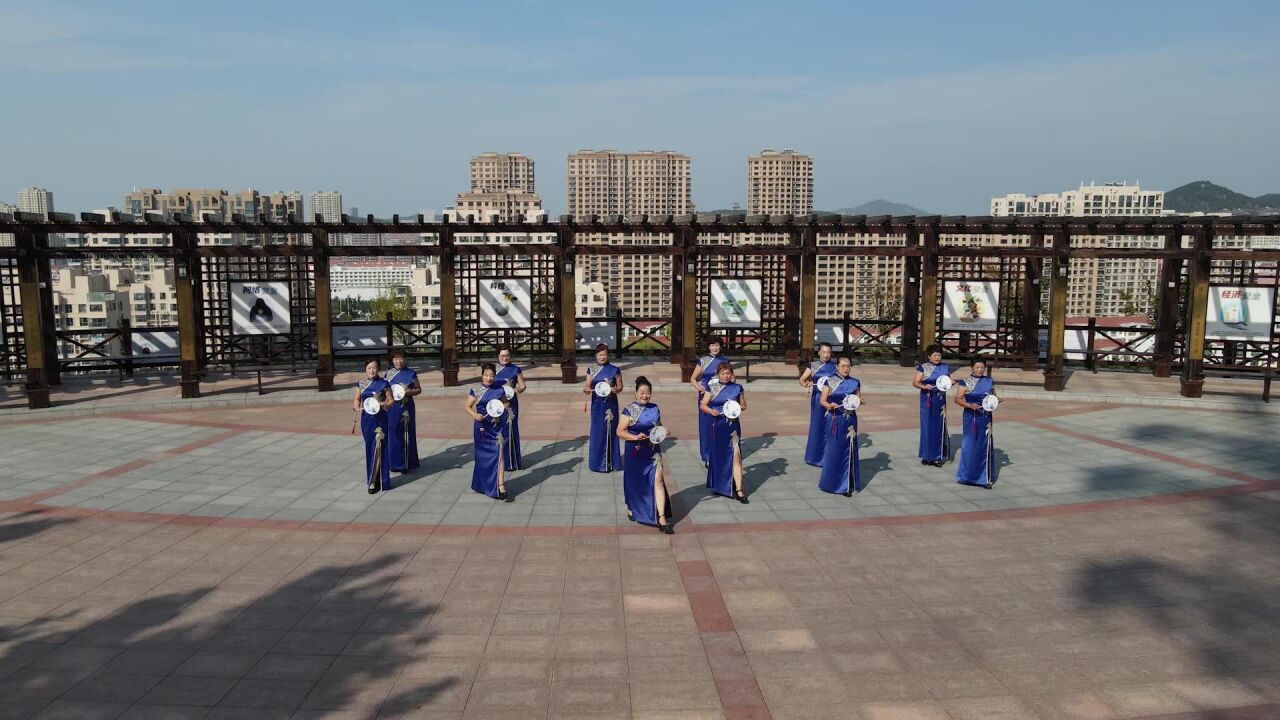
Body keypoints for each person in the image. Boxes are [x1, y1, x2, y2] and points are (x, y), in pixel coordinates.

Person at [617, 376, 673, 534]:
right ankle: (633, 507)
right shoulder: (629, 410)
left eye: (648, 393)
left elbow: (658, 426)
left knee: (659, 481)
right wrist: (634, 437)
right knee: (635, 482)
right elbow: (619, 431)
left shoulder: (655, 408)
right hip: (635, 451)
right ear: (635, 393)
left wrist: (664, 430)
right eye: (641, 392)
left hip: (653, 451)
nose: (645, 395)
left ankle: (661, 517)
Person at [700, 362, 748, 503]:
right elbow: (703, 405)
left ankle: (739, 490)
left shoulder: (738, 388)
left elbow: (744, 405)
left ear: (731, 373)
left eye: (728, 373)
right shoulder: (712, 387)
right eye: (723, 373)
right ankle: (719, 485)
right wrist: (711, 411)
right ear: (718, 374)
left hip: (733, 426)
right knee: (718, 455)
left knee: (736, 455)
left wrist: (738, 407)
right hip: (717, 424)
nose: (726, 376)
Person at [466, 363, 512, 501]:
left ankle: (501, 485)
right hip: (481, 427)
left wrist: (503, 407)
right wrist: (475, 415)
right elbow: (467, 406)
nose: (489, 378)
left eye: (491, 375)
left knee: (499, 453)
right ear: (482, 375)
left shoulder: (500, 390)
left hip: (497, 427)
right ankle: (481, 484)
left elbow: (506, 404)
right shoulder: (476, 390)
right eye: (486, 375)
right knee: (482, 457)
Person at [818, 355, 863, 497]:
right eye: (843, 366)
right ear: (837, 366)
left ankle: (847, 484)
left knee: (849, 450)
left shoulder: (855, 382)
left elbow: (857, 398)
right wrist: (829, 405)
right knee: (834, 450)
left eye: (848, 366)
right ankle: (831, 482)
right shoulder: (830, 381)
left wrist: (859, 402)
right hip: (835, 419)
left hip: (850, 419)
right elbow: (822, 400)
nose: (846, 368)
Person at [955, 359, 998, 488]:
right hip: (971, 417)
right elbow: (957, 399)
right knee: (970, 445)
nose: (980, 370)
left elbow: (993, 396)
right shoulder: (965, 382)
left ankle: (984, 479)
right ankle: (967, 476)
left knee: (985, 445)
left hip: (986, 417)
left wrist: (996, 400)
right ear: (972, 368)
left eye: (982, 367)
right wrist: (969, 405)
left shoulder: (989, 380)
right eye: (977, 367)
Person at [353, 358, 393, 494]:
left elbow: (391, 399)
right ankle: (373, 478)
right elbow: (357, 399)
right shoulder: (362, 384)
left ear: (378, 369)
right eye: (369, 368)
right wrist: (356, 407)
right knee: (370, 448)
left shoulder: (384, 383)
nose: (372, 370)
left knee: (379, 448)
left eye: (374, 368)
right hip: (367, 421)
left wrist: (386, 405)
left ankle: (376, 481)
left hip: (380, 419)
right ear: (365, 369)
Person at [689, 338, 730, 467]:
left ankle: (720, 453)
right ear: (708, 347)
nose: (715, 347)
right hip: (705, 396)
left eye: (717, 345)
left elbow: (732, 378)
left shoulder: (725, 361)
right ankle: (707, 455)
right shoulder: (703, 360)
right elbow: (693, 378)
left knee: (720, 423)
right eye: (712, 345)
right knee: (706, 425)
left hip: (721, 396)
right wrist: (698, 387)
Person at [583, 344, 623, 473]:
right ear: (596, 355)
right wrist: (587, 390)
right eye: (600, 355)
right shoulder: (591, 370)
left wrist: (615, 389)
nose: (603, 357)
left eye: (605, 354)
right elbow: (587, 386)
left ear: (608, 355)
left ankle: (612, 463)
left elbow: (620, 387)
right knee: (597, 432)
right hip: (597, 405)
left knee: (611, 431)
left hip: (611, 405)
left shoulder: (615, 370)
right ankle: (597, 464)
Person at [799, 342, 838, 467]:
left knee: (831, 426)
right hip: (817, 399)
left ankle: (829, 456)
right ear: (819, 352)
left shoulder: (835, 366)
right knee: (817, 426)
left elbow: (839, 381)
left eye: (828, 352)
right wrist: (807, 383)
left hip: (831, 398)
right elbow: (801, 379)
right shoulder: (814, 365)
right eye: (824, 352)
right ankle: (814, 457)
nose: (826, 355)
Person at [913, 344, 952, 467]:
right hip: (927, 400)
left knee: (939, 427)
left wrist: (952, 382)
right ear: (929, 356)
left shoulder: (945, 367)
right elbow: (915, 382)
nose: (937, 357)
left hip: (940, 401)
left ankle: (937, 457)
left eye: (939, 355)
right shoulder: (923, 368)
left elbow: (947, 382)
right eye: (935, 355)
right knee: (927, 427)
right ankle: (926, 455)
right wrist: (924, 386)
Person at [384, 350, 421, 473]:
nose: (398, 361)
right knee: (393, 432)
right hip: (393, 407)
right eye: (396, 359)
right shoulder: (388, 374)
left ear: (404, 359)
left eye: (401, 359)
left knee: (407, 433)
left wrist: (407, 392)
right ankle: (394, 463)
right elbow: (384, 391)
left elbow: (418, 390)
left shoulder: (411, 373)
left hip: (407, 405)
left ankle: (407, 464)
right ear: (392, 360)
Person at [494, 346, 526, 471]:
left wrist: (515, 390)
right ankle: (497, 461)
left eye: (507, 355)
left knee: (510, 431)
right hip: (496, 403)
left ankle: (511, 462)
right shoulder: (493, 369)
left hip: (510, 404)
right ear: (498, 357)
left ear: (510, 356)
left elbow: (523, 386)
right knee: (496, 430)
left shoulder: (516, 369)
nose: (505, 358)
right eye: (502, 356)